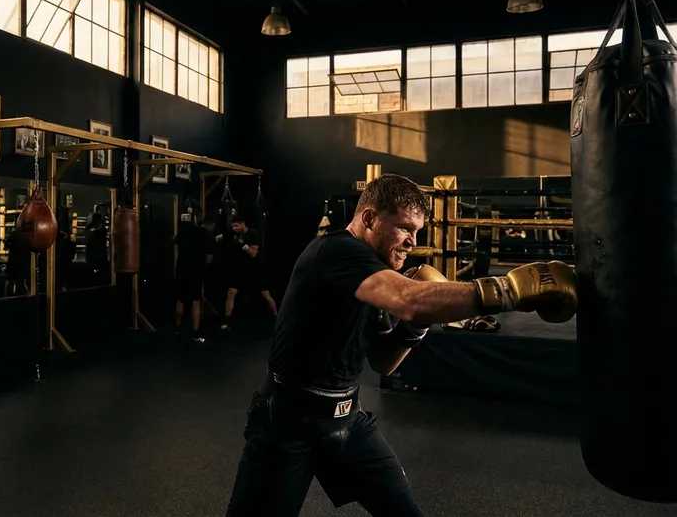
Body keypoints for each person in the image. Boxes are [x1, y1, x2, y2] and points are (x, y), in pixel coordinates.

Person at [225, 173, 577, 516]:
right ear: (369, 219)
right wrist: (508, 291)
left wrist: (416, 325)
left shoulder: (375, 273)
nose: (412, 241)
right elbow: (409, 299)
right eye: (405, 228)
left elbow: (383, 361)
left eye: (417, 232)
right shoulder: (335, 251)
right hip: (287, 424)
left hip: (347, 421)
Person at [218, 216, 278, 331]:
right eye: (233, 226)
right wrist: (218, 237)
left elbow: (253, 253)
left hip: (254, 270)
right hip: (239, 270)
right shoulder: (234, 233)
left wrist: (242, 245)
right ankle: (226, 320)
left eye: (236, 226)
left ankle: (277, 317)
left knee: (266, 295)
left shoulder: (253, 235)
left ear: (243, 224)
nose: (234, 228)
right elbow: (220, 237)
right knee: (231, 292)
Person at [173, 211, 213, 341]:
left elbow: (174, 240)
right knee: (196, 300)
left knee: (181, 298)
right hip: (196, 270)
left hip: (182, 269)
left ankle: (178, 328)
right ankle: (195, 333)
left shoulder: (183, 232)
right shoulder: (205, 234)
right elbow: (209, 259)